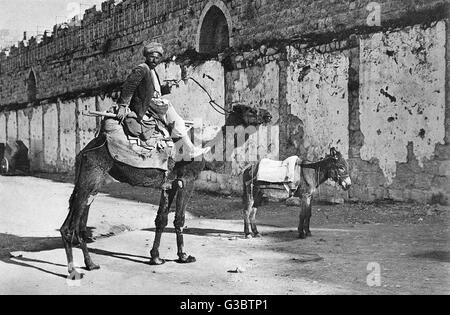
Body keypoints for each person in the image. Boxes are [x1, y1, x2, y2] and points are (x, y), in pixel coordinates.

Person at [116, 41, 208, 158]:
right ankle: (190, 149)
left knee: (174, 118)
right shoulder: (142, 69)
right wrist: (123, 106)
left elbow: (152, 90)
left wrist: (166, 88)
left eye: (157, 58)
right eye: (152, 57)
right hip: (147, 106)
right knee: (178, 122)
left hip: (154, 103)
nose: (154, 60)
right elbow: (129, 86)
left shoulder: (152, 71)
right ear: (146, 57)